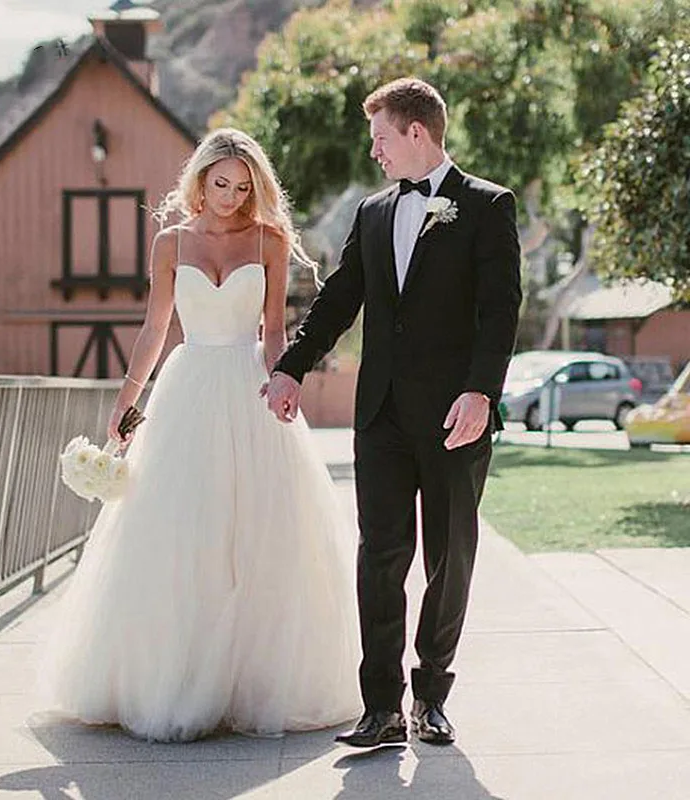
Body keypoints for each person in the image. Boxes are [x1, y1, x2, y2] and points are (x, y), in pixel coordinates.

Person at [39, 128, 361, 742]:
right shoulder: (169, 242)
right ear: (200, 180)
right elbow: (155, 328)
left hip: (248, 386)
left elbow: (272, 330)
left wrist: (281, 381)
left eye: (243, 188)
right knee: (181, 531)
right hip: (186, 391)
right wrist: (126, 403)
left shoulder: (270, 239)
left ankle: (246, 682)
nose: (232, 197)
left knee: (255, 534)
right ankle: (174, 678)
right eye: (222, 185)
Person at [263, 78, 522, 747]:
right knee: (379, 555)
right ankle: (379, 707)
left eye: (381, 137)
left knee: (449, 554)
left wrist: (481, 391)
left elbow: (500, 311)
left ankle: (431, 695)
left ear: (417, 133)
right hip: (378, 414)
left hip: (454, 415)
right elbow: (341, 296)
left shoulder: (488, 206)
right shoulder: (374, 213)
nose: (374, 151)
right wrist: (292, 364)